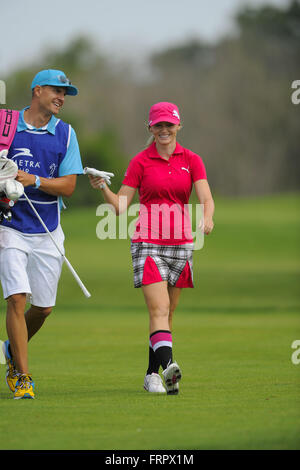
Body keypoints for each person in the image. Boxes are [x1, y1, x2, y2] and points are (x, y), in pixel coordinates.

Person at [88, 101, 214, 395]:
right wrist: (103, 188)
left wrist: (207, 218)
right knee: (158, 309)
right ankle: (170, 369)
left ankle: (151, 375)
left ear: (178, 126)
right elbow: (121, 205)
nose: (164, 130)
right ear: (150, 128)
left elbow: (206, 197)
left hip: (182, 244)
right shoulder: (140, 162)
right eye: (158, 125)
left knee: (167, 316)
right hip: (148, 242)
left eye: (169, 124)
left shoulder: (192, 160)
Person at [0, 69, 83, 399]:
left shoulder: (65, 134)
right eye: (56, 90)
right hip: (9, 226)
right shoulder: (5, 125)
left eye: (65, 92)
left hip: (48, 230)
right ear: (37, 91)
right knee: (17, 299)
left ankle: (9, 350)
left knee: (43, 308)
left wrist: (32, 180)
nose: (62, 96)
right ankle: (22, 376)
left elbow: (70, 186)